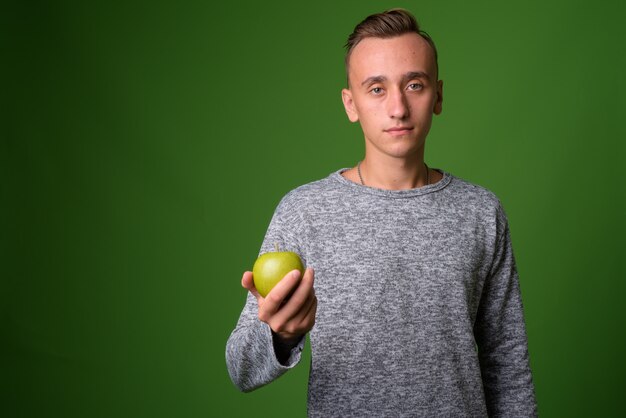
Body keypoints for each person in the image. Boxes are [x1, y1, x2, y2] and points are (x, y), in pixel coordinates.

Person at [226, 8, 537, 417]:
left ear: (438, 95)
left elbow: (507, 363)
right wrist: (280, 336)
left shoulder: (481, 212)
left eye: (414, 84)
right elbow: (241, 369)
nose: (398, 107)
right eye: (376, 89)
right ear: (350, 103)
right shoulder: (305, 212)